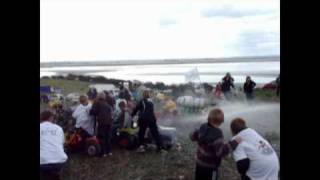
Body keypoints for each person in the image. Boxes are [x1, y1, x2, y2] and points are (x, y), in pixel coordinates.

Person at [190, 108, 240, 180]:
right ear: (221, 121)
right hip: (210, 167)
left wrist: (195, 132)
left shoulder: (203, 126)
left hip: (199, 163)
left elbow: (192, 137)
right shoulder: (217, 134)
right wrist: (233, 143)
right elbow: (220, 152)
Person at [40, 110, 68, 180]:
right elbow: (62, 143)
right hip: (59, 161)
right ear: (51, 118)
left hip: (43, 162)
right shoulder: (59, 128)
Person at [90, 92, 113, 157]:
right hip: (109, 123)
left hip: (102, 122)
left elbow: (93, 112)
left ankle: (103, 153)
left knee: (101, 137)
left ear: (98, 97)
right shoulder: (107, 104)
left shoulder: (97, 103)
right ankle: (109, 151)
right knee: (108, 137)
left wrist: (90, 111)